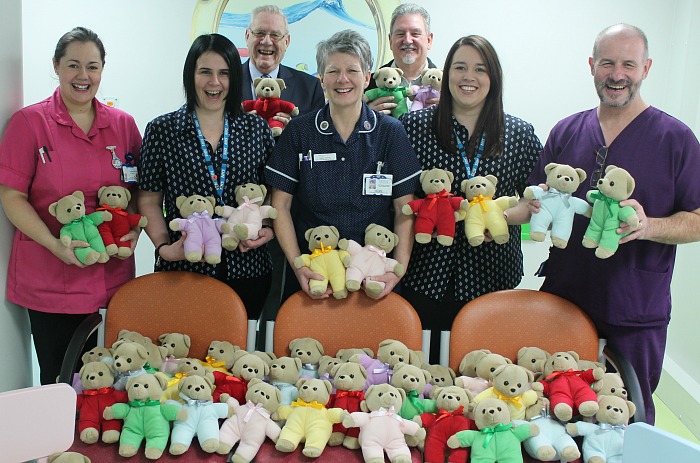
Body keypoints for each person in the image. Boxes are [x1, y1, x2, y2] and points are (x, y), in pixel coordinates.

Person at [527, 24, 700, 424]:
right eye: (607, 63)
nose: (617, 74)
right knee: (556, 406)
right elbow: (538, 197)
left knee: (629, 414)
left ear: (646, 68)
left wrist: (649, 227)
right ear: (592, 65)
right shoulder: (568, 130)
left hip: (635, 305)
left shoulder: (676, 139)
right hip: (564, 297)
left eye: (628, 64)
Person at [0, 27, 142, 385]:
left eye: (92, 67)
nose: (83, 76)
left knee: (109, 383)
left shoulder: (122, 125)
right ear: (56, 67)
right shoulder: (30, 123)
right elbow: (11, 196)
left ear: (102, 70)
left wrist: (133, 234)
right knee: (59, 381)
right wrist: (54, 246)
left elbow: (141, 192)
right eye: (73, 65)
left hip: (111, 279)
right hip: (51, 279)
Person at [400, 35, 543, 364]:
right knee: (421, 373)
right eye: (460, 67)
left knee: (482, 375)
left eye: (480, 69)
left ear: (493, 78)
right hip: (425, 274)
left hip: (492, 274)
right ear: (446, 73)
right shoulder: (413, 127)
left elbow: (534, 200)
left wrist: (504, 219)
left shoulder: (519, 134)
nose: (469, 77)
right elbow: (401, 200)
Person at [265, 29, 421, 301]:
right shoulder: (300, 132)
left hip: (373, 278)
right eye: (333, 71)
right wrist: (297, 265)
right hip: (314, 275)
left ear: (368, 77)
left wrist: (399, 270)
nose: (343, 79)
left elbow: (404, 208)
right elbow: (280, 205)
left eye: (352, 70)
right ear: (321, 78)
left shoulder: (390, 133)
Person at [138, 34, 275, 320]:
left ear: (234, 78)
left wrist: (266, 230)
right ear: (191, 75)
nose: (215, 82)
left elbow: (273, 194)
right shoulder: (162, 130)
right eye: (205, 72)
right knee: (182, 357)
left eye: (224, 73)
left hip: (248, 268)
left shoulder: (255, 129)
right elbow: (149, 200)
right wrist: (165, 248)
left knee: (240, 358)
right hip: (184, 267)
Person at [242, 5, 325, 119]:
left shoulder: (310, 88)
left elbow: (317, 135)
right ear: (247, 36)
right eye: (259, 33)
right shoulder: (226, 81)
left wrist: (291, 132)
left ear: (286, 42)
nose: (267, 41)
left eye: (275, 35)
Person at [366, 3, 439, 115]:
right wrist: (366, 116)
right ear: (390, 41)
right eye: (400, 34)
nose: (407, 40)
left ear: (429, 40)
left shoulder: (448, 86)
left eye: (415, 33)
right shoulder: (368, 84)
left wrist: (447, 114)